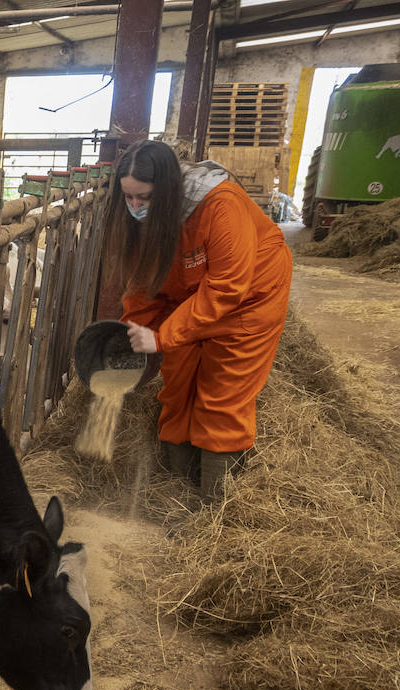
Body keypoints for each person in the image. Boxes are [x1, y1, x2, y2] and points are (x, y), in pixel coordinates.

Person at [103, 139, 292, 500]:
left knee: (221, 396)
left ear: (168, 189)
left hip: (249, 299)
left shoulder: (221, 205)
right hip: (192, 297)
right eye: (128, 198)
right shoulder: (149, 217)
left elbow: (227, 287)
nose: (135, 207)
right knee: (178, 388)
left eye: (143, 197)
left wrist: (161, 337)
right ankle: (179, 489)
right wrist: (130, 330)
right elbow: (145, 283)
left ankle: (216, 506)